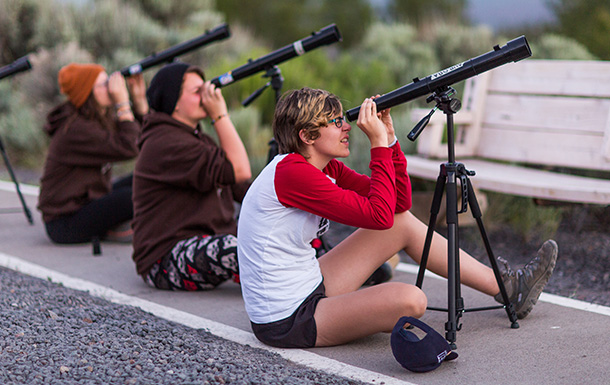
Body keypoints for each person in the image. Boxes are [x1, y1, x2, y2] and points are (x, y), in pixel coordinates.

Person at [237, 87, 558, 348]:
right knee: (411, 300)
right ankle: (360, 312)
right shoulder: (292, 174)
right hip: (288, 319)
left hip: (308, 283)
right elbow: (378, 216)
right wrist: (376, 145)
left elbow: (397, 207)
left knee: (403, 223)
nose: (347, 126)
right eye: (336, 122)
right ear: (307, 135)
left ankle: (508, 289)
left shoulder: (321, 166)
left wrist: (389, 141)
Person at [132, 62, 251, 291]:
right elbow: (240, 170)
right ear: (173, 102)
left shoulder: (194, 138)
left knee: (280, 238)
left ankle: (312, 280)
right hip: (164, 261)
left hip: (203, 245)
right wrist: (220, 116)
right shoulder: (165, 143)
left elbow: (240, 185)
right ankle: (297, 290)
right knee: (236, 248)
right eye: (198, 92)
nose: (207, 97)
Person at [38, 63, 149, 244]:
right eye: (104, 84)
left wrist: (140, 101)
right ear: (87, 92)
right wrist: (123, 104)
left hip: (88, 202)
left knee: (145, 180)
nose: (111, 89)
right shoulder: (75, 129)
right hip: (65, 222)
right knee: (131, 196)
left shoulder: (96, 119)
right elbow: (129, 147)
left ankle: (115, 226)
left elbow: (143, 140)